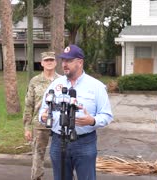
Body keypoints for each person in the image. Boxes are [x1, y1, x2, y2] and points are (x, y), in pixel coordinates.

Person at [39, 44, 113, 180]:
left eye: (69, 61)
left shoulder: (96, 86)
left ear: (80, 62)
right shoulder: (55, 85)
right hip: (58, 141)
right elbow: (42, 111)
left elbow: (107, 115)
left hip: (84, 143)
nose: (64, 64)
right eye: (63, 61)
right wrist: (43, 117)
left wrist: (92, 121)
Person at [23, 51, 60, 180]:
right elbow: (29, 104)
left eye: (51, 60)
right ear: (42, 63)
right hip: (40, 124)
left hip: (58, 124)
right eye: (46, 60)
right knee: (38, 156)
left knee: (61, 155)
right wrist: (27, 127)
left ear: (55, 62)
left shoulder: (61, 81)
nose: (49, 62)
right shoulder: (35, 81)